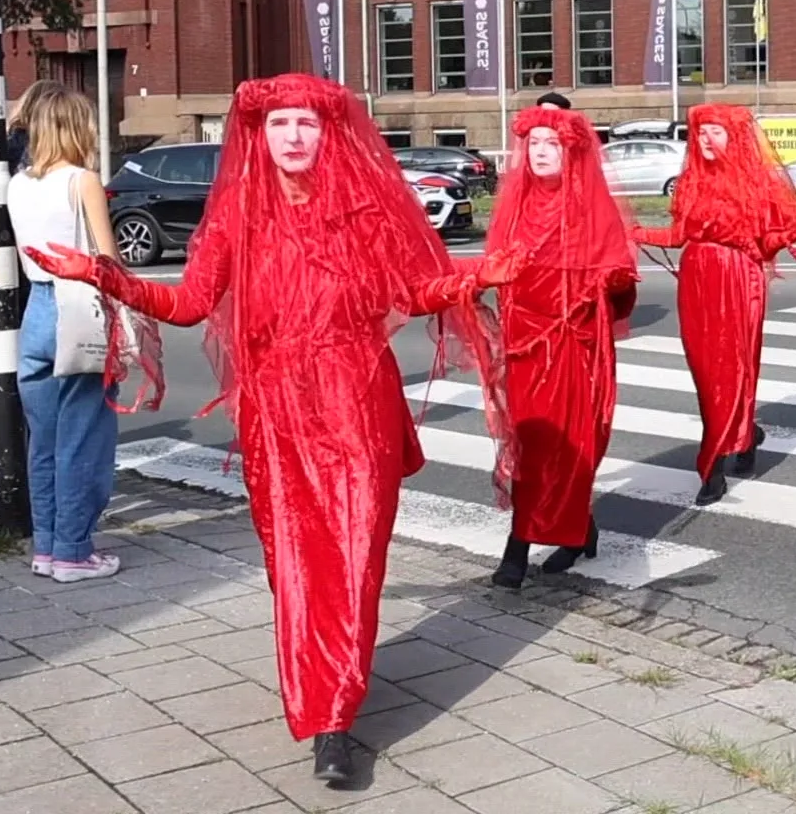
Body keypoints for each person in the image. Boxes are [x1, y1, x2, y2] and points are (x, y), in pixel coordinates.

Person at [26, 73, 516, 786]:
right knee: (297, 567)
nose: (293, 136)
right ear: (259, 132)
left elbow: (415, 291)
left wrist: (477, 275)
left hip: (358, 407)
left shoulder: (365, 211)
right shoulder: (234, 220)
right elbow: (190, 304)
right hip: (278, 414)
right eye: (280, 123)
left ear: (329, 133)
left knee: (354, 562)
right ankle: (324, 712)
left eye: (307, 124)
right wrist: (105, 276)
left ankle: (336, 711)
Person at [632, 102, 796, 505]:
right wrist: (633, 232)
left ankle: (713, 464)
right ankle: (743, 435)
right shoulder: (690, 182)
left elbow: (769, 240)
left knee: (734, 368)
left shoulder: (757, 184)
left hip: (739, 280)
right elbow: (678, 236)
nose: (705, 139)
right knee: (706, 374)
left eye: (715, 131)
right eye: (700, 132)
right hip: (697, 280)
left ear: (733, 137)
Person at [483, 106, 638, 590]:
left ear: (571, 151)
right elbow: (497, 273)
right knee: (530, 445)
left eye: (552, 143)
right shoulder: (516, 206)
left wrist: (610, 279)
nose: (541, 152)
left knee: (565, 447)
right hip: (525, 347)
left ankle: (533, 543)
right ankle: (554, 533)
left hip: (572, 345)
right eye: (534, 144)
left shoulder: (592, 207)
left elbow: (622, 283)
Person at [8, 85, 129, 580]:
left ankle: (47, 546)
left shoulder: (18, 184)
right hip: (77, 309)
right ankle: (75, 552)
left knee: (45, 440)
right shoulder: (83, 181)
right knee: (84, 438)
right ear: (78, 128)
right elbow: (108, 261)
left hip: (35, 310)